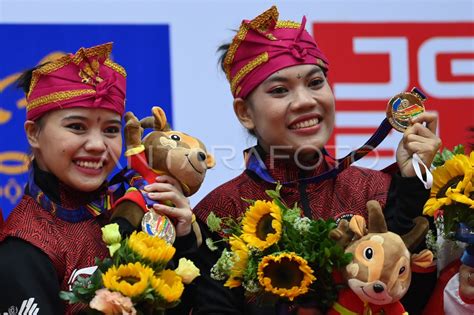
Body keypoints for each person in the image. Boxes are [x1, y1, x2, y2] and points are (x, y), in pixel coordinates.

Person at [188, 6, 441, 315]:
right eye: (280, 90)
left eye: (315, 82)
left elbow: (412, 300)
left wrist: (413, 184)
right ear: (245, 113)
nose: (306, 101)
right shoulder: (221, 212)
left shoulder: (377, 190)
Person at [0, 43, 196, 315]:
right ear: (33, 134)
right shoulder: (25, 244)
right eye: (76, 127)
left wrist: (184, 240)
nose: (97, 144)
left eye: (111, 129)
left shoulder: (139, 208)